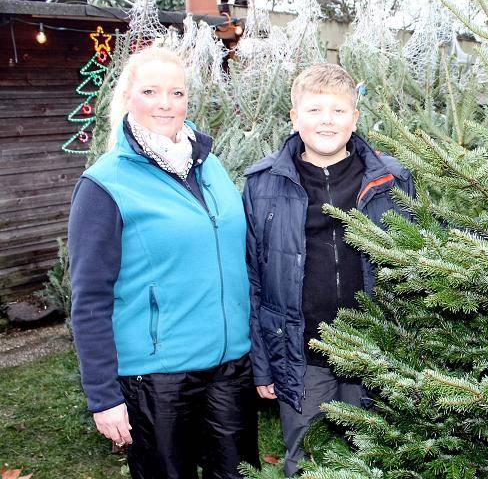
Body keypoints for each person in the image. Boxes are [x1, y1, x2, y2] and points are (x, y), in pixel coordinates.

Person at [69, 45, 259, 478]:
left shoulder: (209, 166)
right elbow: (90, 298)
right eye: (151, 91)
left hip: (230, 367)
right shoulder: (105, 183)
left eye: (177, 93)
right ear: (128, 97)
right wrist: (103, 396)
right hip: (158, 377)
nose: (165, 104)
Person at [242, 63, 415, 477]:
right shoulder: (263, 183)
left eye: (338, 111)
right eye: (315, 110)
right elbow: (252, 276)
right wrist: (263, 362)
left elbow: (414, 260)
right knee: (306, 458)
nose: (327, 121)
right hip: (302, 352)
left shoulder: (391, 178)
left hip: (374, 347)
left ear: (354, 118)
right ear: (294, 117)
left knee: (376, 454)